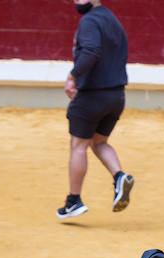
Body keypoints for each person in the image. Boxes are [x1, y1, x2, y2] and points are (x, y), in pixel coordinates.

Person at [57, 0, 134, 220]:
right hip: (117, 95)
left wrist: (73, 76)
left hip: (92, 95)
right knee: (98, 142)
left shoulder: (89, 21)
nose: (77, 1)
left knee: (78, 145)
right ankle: (120, 177)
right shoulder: (112, 20)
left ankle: (73, 201)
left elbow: (91, 52)